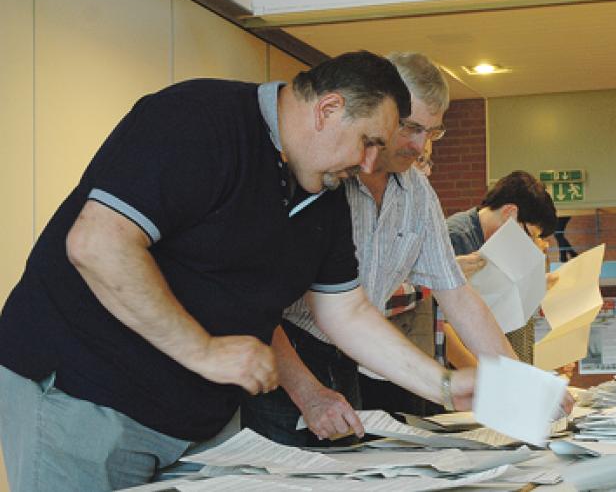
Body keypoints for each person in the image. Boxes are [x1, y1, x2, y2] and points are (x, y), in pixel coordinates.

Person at [0, 51, 481, 491]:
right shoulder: (197, 119)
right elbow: (97, 243)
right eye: (368, 142)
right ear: (328, 110)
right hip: (85, 396)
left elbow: (348, 312)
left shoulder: (324, 194)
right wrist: (203, 350)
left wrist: (441, 384)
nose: (371, 161)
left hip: (196, 420)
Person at [240, 52, 518, 445]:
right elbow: (255, 303)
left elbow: (456, 293)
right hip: (287, 356)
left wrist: (519, 382)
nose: (421, 146)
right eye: (409, 127)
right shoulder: (320, 177)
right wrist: (305, 389)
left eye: (433, 132)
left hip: (355, 355)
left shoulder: (417, 193)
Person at [444, 170, 559, 368]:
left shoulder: (494, 244)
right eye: (530, 235)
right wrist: (486, 379)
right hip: (461, 378)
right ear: (509, 213)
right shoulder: (455, 238)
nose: (531, 244)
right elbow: (443, 327)